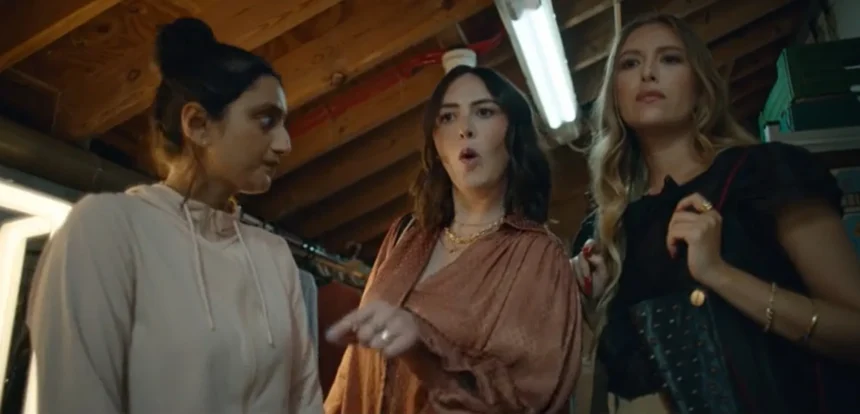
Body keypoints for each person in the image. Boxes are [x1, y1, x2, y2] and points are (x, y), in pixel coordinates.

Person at [26, 17, 322, 413]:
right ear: (197, 124)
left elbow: (304, 400)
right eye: (266, 120)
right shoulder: (107, 229)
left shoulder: (273, 256)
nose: (285, 143)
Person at [568, 13, 860, 414]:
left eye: (670, 59)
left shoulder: (765, 174)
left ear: (700, 86)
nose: (648, 73)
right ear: (614, 94)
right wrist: (592, 310)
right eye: (630, 63)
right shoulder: (606, 234)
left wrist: (719, 273)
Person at [322, 65, 582, 413]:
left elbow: (525, 397)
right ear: (436, 142)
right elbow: (352, 373)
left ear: (513, 132)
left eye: (484, 112)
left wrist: (425, 348)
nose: (464, 129)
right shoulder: (404, 236)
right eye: (448, 117)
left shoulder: (539, 256)